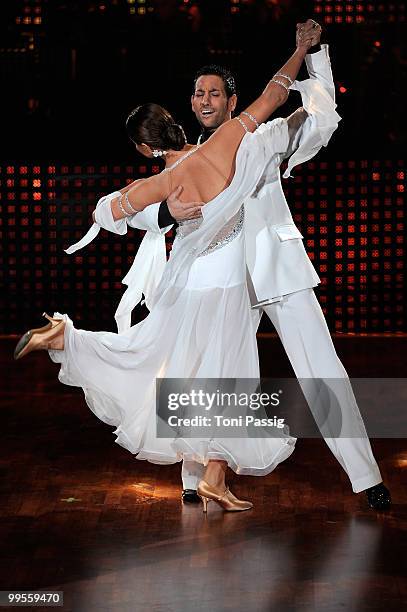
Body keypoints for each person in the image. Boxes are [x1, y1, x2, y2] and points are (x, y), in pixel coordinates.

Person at [13, 21, 389, 512]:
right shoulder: (181, 165)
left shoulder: (265, 135)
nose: (206, 100)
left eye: (215, 92)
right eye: (198, 93)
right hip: (213, 276)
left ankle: (366, 478)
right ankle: (196, 478)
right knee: (201, 369)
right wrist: (167, 214)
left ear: (233, 101)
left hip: (277, 270)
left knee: (321, 370)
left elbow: (322, 116)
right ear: (190, 104)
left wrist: (314, 55)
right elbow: (126, 208)